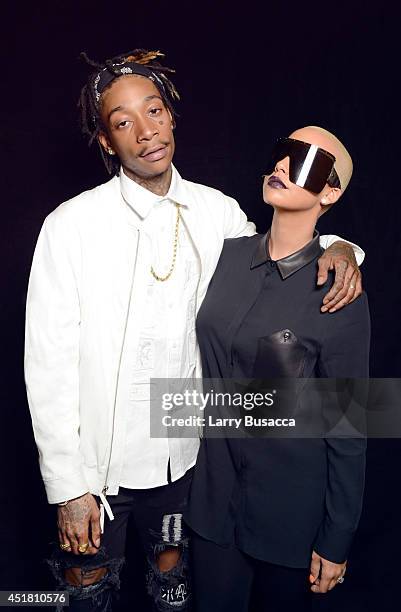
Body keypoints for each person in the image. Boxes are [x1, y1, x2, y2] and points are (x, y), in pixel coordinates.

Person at [24, 46, 364, 612]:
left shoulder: (216, 213)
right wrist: (67, 486)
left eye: (153, 111)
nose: (145, 132)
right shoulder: (70, 225)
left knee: (175, 600)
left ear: (172, 116)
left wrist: (342, 246)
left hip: (185, 469)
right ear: (108, 141)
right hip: (95, 476)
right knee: (84, 601)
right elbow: (48, 362)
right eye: (123, 121)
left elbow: (283, 254)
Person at [185, 126, 370, 612]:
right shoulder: (224, 257)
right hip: (210, 506)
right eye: (282, 154)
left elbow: (349, 423)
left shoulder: (339, 290)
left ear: (331, 191)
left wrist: (337, 536)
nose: (284, 168)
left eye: (306, 162)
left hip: (292, 520)